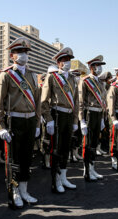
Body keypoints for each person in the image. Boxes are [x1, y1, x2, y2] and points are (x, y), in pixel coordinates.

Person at [0, 37, 40, 207]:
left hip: (29, 121)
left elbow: (36, 102)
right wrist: (1, 125)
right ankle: (13, 191)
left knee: (27, 158)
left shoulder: (33, 76)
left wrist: (36, 124)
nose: (23, 55)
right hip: (14, 121)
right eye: (19, 52)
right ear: (12, 55)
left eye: (25, 52)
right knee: (13, 159)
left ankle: (24, 190)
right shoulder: (6, 75)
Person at [41, 47, 78, 193]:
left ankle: (63, 177)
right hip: (57, 115)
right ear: (58, 62)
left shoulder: (72, 79)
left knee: (65, 148)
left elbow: (76, 101)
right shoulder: (52, 77)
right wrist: (48, 119)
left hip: (69, 116)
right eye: (64, 60)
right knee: (55, 150)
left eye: (69, 60)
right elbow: (44, 101)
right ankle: (55, 181)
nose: (67, 63)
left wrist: (75, 120)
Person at [78, 55, 107, 181]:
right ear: (91, 67)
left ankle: (92, 168)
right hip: (89, 114)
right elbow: (80, 102)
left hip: (98, 114)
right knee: (88, 144)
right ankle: (86, 171)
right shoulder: (85, 81)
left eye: (100, 65)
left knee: (95, 143)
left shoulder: (100, 82)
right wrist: (81, 120)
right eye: (97, 65)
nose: (99, 68)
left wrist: (101, 118)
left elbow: (102, 101)